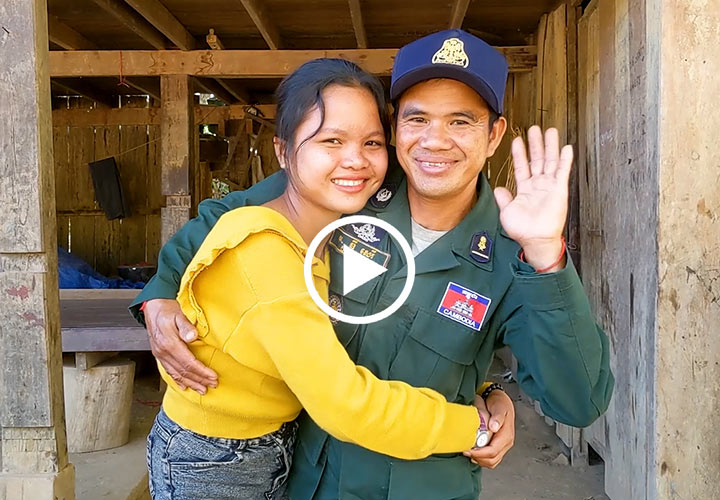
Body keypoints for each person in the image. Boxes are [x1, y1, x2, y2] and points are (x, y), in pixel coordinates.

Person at [134, 30, 613, 499]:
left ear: (493, 136)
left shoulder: (515, 257)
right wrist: (158, 295)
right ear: (395, 129)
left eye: (461, 122)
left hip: (419, 484)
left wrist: (546, 255)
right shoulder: (347, 193)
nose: (435, 141)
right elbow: (225, 219)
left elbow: (578, 401)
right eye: (417, 119)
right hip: (304, 478)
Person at [144, 58, 502, 500]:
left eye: (372, 142)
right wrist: (473, 427)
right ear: (282, 152)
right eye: (331, 140)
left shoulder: (348, 219)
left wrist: (489, 390)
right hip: (218, 460)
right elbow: (345, 405)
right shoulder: (265, 250)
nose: (354, 160)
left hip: (277, 439)